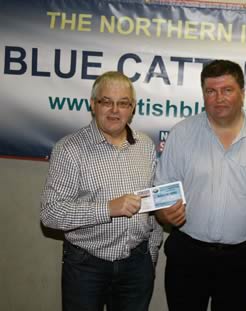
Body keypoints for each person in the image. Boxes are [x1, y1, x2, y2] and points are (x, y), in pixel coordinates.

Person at [154, 59, 246, 311]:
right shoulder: (182, 133)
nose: (218, 98)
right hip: (187, 256)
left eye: (227, 90)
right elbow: (162, 189)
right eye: (211, 91)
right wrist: (163, 212)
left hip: (241, 260)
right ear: (203, 94)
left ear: (243, 94)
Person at [40, 71, 163, 311]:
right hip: (86, 267)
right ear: (93, 104)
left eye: (123, 103)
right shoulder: (69, 149)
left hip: (136, 266)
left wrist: (150, 254)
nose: (115, 110)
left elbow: (153, 204)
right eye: (107, 102)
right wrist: (107, 209)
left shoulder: (146, 146)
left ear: (132, 108)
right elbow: (51, 213)